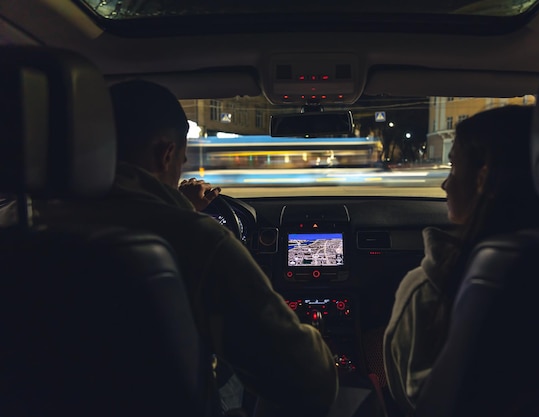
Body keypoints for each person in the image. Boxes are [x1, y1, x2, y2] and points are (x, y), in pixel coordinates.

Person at [39, 79, 338, 416]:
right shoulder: (197, 241)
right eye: (180, 160)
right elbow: (311, 383)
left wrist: (177, 206)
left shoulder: (22, 225)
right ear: (166, 153)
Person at [382, 105, 539, 415]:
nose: (445, 184)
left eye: (452, 167)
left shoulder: (429, 292)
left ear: (482, 178)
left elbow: (411, 399)